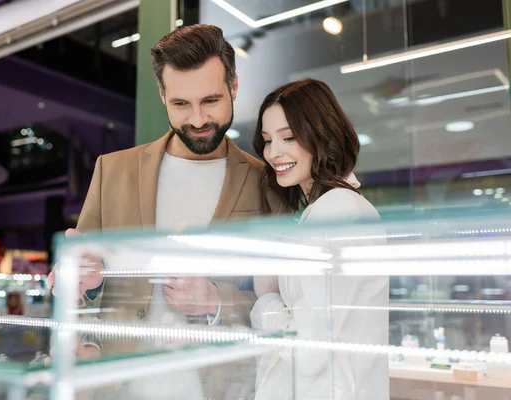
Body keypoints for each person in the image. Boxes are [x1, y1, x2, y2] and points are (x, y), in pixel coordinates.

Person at [47, 23, 286, 399]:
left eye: (211, 101)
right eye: (180, 104)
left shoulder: (266, 182)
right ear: (162, 95)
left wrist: (214, 300)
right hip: (118, 388)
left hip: (223, 389)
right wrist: (81, 283)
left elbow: (282, 305)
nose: (197, 119)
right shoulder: (113, 170)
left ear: (234, 87)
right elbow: (80, 295)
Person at [250, 79, 389, 399]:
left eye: (288, 137)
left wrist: (265, 299)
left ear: (321, 134)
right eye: (268, 140)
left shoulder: (336, 211)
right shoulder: (333, 208)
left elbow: (309, 352)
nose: (273, 153)